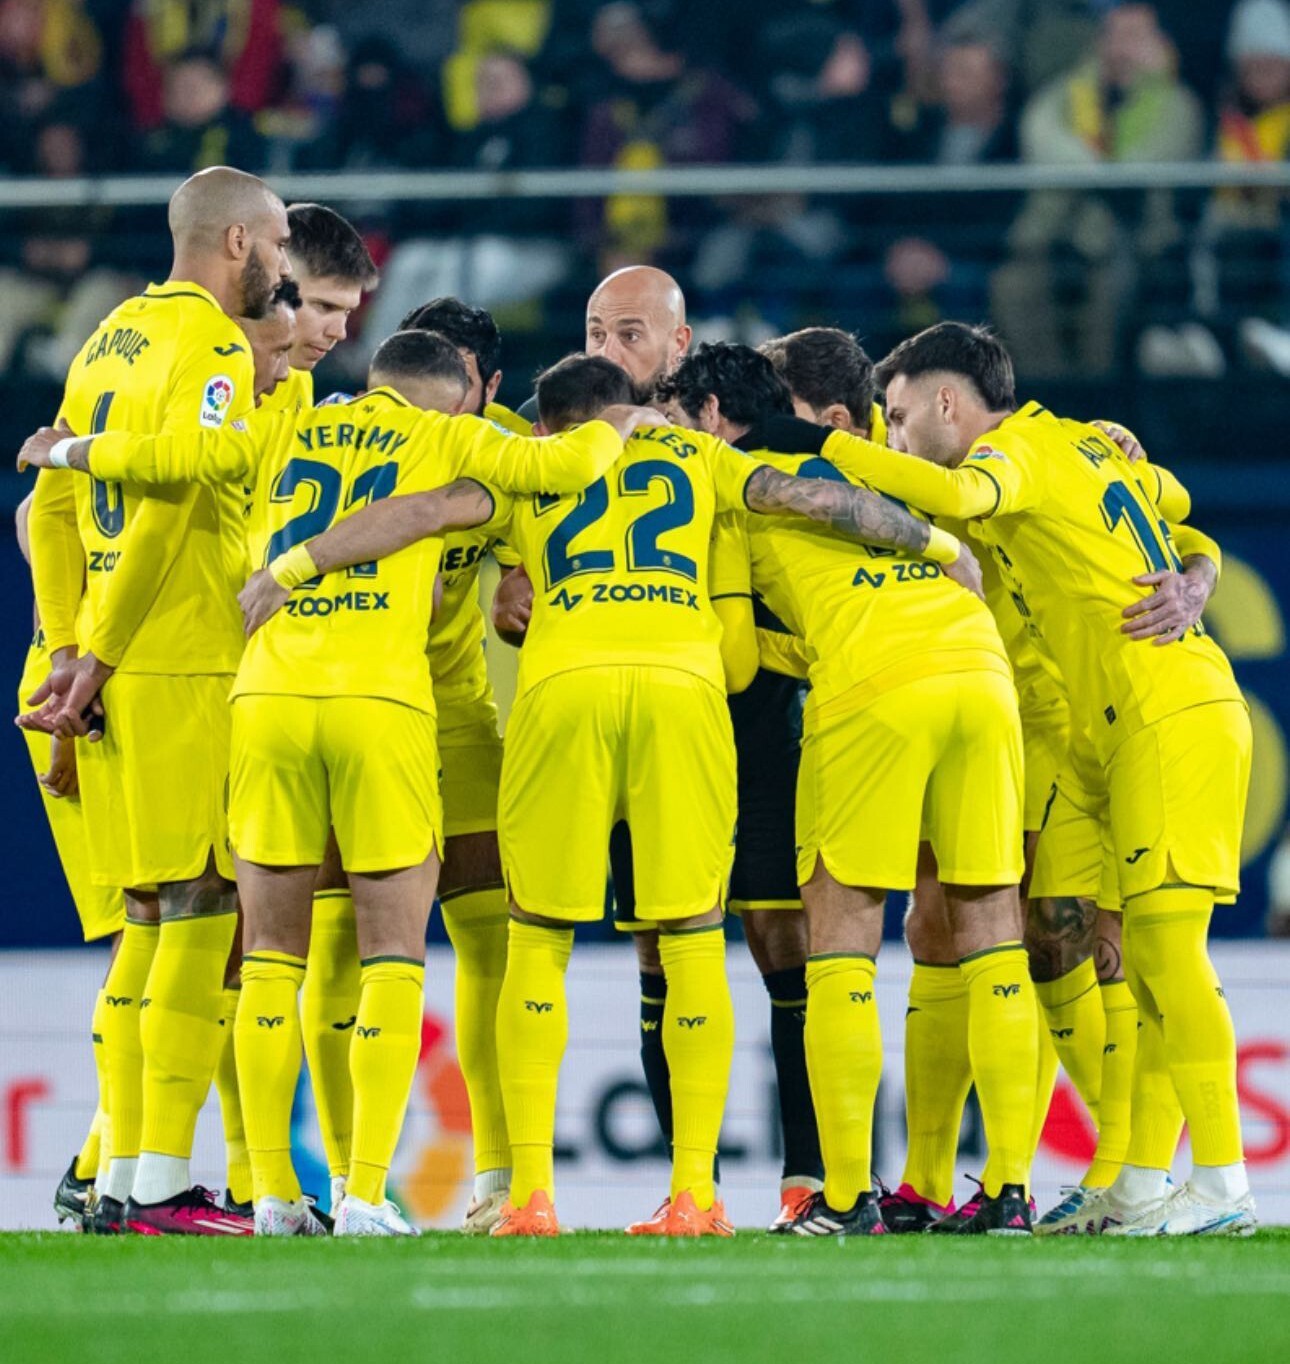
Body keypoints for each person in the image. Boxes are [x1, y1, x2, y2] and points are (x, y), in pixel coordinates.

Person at [219, 351, 976, 1236]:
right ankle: (695, 1194)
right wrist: (939, 545)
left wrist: (294, 567)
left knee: (538, 940)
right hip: (679, 693)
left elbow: (418, 512)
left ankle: (530, 1195)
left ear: (549, 423)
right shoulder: (698, 455)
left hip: (562, 692)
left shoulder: (535, 469)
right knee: (691, 937)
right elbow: (806, 497)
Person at [17, 330, 656, 1237]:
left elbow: (179, 458)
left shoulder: (285, 427)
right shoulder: (448, 434)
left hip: (266, 703)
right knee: (392, 955)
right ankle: (361, 1194)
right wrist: (622, 421)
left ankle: (274, 1194)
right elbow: (568, 465)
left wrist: (71, 450)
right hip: (379, 707)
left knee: (272, 957)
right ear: (456, 395)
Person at [833, 321, 1256, 1237]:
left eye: (898, 418)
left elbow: (960, 491)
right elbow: (1173, 502)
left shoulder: (1015, 452)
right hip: (1113, 730)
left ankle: (1224, 1183)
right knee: (1130, 959)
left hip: (1163, 713)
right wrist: (1196, 563)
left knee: (1165, 957)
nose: (891, 436)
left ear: (949, 402)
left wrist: (825, 449)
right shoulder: (1081, 443)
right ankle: (1139, 1180)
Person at [660, 342, 1037, 1237]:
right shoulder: (886, 462)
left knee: (842, 940)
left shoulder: (725, 478)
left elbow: (740, 660)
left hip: (873, 687)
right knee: (991, 932)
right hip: (979, 672)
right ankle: (1011, 1192)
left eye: (677, 420)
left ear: (711, 414)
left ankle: (842, 1196)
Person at [21, 165, 290, 1235]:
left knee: (147, 914)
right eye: (277, 241)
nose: (280, 261)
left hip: (117, 660)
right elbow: (183, 489)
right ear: (238, 242)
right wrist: (99, 654)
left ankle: (118, 1175)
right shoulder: (212, 342)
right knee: (200, 907)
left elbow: (50, 504)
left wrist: (69, 643)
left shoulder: (107, 337)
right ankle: (160, 1185)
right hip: (179, 656)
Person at [14, 492, 127, 1230]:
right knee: (157, 929)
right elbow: (34, 512)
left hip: (88, 689)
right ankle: (105, 1170)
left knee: (176, 934)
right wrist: (69, 679)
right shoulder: (153, 424)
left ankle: (103, 1164)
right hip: (92, 702)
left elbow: (32, 513)